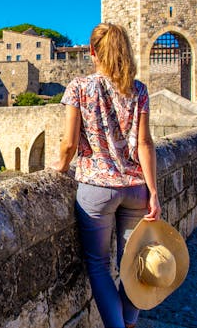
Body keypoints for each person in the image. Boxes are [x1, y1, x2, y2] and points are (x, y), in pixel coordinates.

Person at [52, 22, 161, 328]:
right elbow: (145, 143)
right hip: (136, 188)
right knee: (133, 265)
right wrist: (154, 191)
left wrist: (59, 168)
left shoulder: (79, 87)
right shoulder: (138, 90)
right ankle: (129, 322)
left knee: (99, 266)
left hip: (96, 188)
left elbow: (70, 144)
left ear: (92, 52)